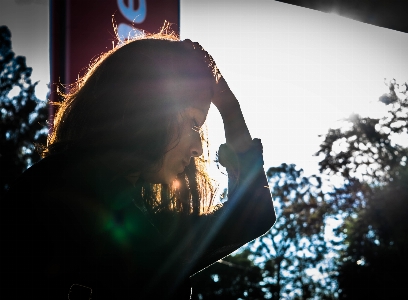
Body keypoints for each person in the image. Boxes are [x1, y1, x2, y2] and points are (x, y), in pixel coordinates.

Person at [0, 30, 275, 299]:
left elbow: (254, 215)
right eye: (192, 123)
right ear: (148, 108)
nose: (198, 147)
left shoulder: (138, 218)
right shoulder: (64, 190)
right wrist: (228, 107)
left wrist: (228, 106)